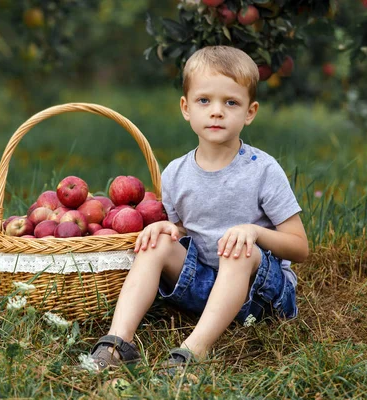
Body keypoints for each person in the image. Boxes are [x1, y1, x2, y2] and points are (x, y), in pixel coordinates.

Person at [88, 45, 309, 371]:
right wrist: (167, 229)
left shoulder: (262, 169)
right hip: (204, 287)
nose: (216, 111)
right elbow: (187, 231)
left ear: (250, 112)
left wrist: (254, 232)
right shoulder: (176, 172)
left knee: (239, 249)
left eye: (230, 102)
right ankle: (118, 343)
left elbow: (300, 247)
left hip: (260, 300)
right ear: (186, 107)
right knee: (156, 241)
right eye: (204, 100)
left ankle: (194, 350)